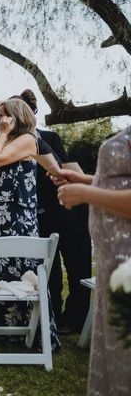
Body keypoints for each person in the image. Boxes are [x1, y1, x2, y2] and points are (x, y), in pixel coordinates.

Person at [0, 98, 60, 349]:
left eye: (4, 115)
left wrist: (2, 133)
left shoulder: (27, 139)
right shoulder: (4, 137)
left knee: (18, 267)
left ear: (16, 116)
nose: (0, 119)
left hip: (17, 216)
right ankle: (3, 329)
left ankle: (28, 331)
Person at [51, 133, 131, 395]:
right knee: (113, 352)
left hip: (126, 260)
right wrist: (85, 179)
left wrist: (87, 193)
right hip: (113, 258)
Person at [19, 89, 92, 334]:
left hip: (70, 213)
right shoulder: (13, 146)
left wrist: (35, 138)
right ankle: (52, 315)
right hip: (40, 217)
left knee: (77, 268)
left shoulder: (49, 137)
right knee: (48, 271)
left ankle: (75, 318)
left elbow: (61, 166)